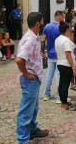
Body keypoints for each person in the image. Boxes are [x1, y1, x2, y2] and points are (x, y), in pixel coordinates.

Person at [15, 12, 49, 143]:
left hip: (35, 79)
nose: (42, 24)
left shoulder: (34, 37)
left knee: (33, 108)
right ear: (37, 23)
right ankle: (23, 140)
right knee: (26, 110)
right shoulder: (30, 39)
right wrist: (27, 74)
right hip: (30, 80)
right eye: (42, 22)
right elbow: (19, 60)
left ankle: (32, 130)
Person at [41, 11, 63, 103]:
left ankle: (46, 95)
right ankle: (59, 97)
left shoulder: (47, 26)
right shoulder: (61, 27)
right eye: (63, 16)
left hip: (50, 53)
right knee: (58, 75)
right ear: (60, 17)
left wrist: (42, 52)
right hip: (59, 54)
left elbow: (42, 40)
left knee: (49, 75)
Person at [55, 21, 76, 111]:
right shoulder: (66, 41)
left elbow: (56, 53)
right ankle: (64, 103)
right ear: (67, 30)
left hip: (60, 62)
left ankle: (63, 101)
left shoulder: (58, 39)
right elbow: (68, 55)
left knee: (61, 83)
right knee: (65, 85)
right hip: (66, 64)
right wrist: (73, 67)